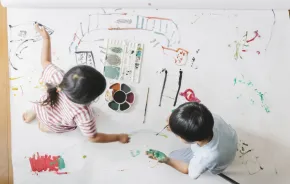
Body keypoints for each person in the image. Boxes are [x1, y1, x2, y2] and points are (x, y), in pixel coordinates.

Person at [22, 23, 130, 144]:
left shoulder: (57, 77)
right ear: (91, 99)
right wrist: (118, 137)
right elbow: (93, 137)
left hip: (42, 107)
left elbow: (45, 61)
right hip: (54, 124)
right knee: (45, 127)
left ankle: (35, 114)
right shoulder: (83, 113)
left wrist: (46, 38)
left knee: (39, 106)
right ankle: (44, 126)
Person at [146, 102, 237, 179]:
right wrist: (176, 120)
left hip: (219, 162)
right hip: (230, 141)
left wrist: (167, 160)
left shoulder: (204, 157)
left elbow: (188, 170)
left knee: (173, 155)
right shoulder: (211, 118)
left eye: (177, 135)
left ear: (186, 139)